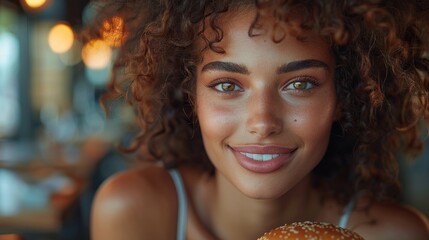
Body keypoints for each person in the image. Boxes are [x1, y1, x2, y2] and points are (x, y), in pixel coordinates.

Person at [87, 0, 429, 239]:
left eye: (301, 84)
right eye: (227, 85)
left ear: (344, 96)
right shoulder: (132, 214)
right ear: (191, 96)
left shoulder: (393, 235)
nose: (263, 121)